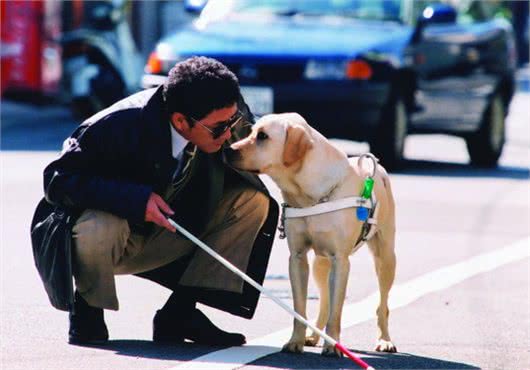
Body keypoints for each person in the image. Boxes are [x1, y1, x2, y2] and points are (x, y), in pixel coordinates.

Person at [30, 56, 279, 346]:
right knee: (100, 224)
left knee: (252, 202)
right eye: (218, 128)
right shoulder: (116, 125)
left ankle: (180, 314)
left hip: (173, 231)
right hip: (114, 240)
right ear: (180, 120)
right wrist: (135, 200)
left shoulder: (224, 113)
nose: (228, 135)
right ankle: (88, 309)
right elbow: (57, 180)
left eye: (233, 121)